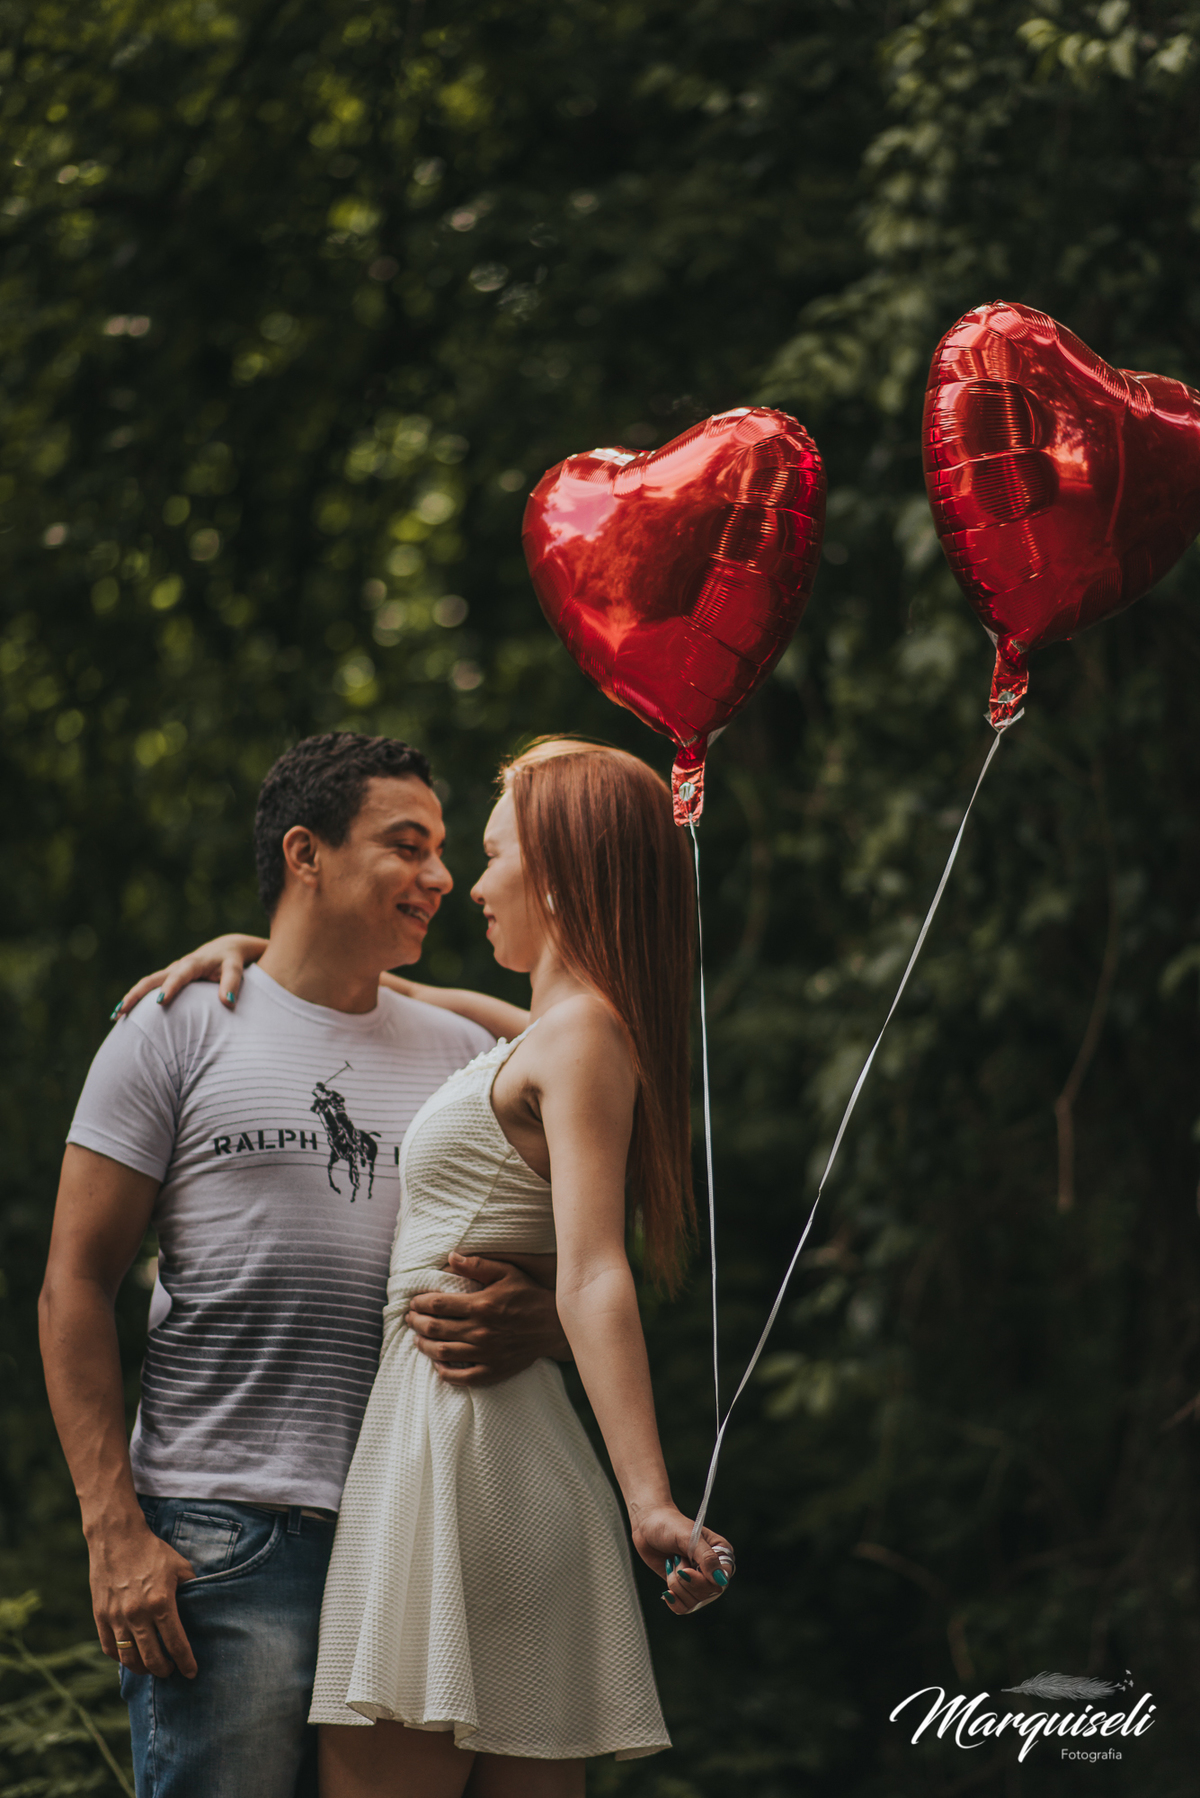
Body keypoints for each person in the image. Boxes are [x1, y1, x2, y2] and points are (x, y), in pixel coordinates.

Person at [149, 738, 737, 1794]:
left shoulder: (584, 1038)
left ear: (556, 873)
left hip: (457, 1461)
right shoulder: (565, 1035)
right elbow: (455, 1012)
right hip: (489, 1458)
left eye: (493, 854)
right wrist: (278, 950)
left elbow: (593, 1271)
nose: (471, 883)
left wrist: (652, 1497)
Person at [38, 733, 570, 1798]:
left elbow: (607, 1072)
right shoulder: (176, 1028)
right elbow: (74, 1286)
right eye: (405, 845)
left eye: (442, 850)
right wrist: (114, 1531)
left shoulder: (468, 1058)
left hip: (421, 1525)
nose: (439, 876)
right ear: (305, 853)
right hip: (223, 1539)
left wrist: (545, 1317)